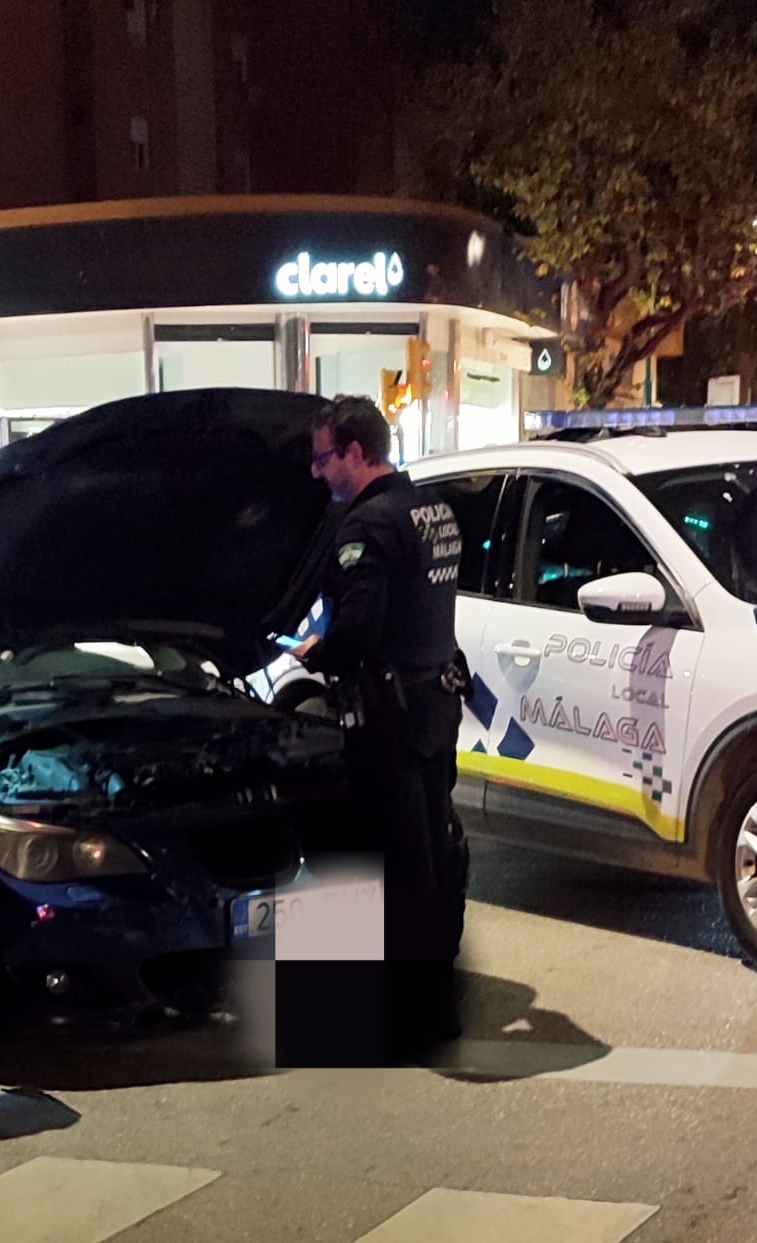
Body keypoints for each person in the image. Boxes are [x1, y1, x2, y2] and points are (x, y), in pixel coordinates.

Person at [290, 396, 466, 1062]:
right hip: (436, 706)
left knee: (399, 865)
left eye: (323, 457)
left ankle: (407, 1014)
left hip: (387, 719)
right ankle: (438, 1001)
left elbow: (357, 629)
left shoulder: (368, 527)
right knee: (438, 854)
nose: (316, 472)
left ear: (356, 452)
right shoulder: (433, 511)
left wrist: (317, 653)